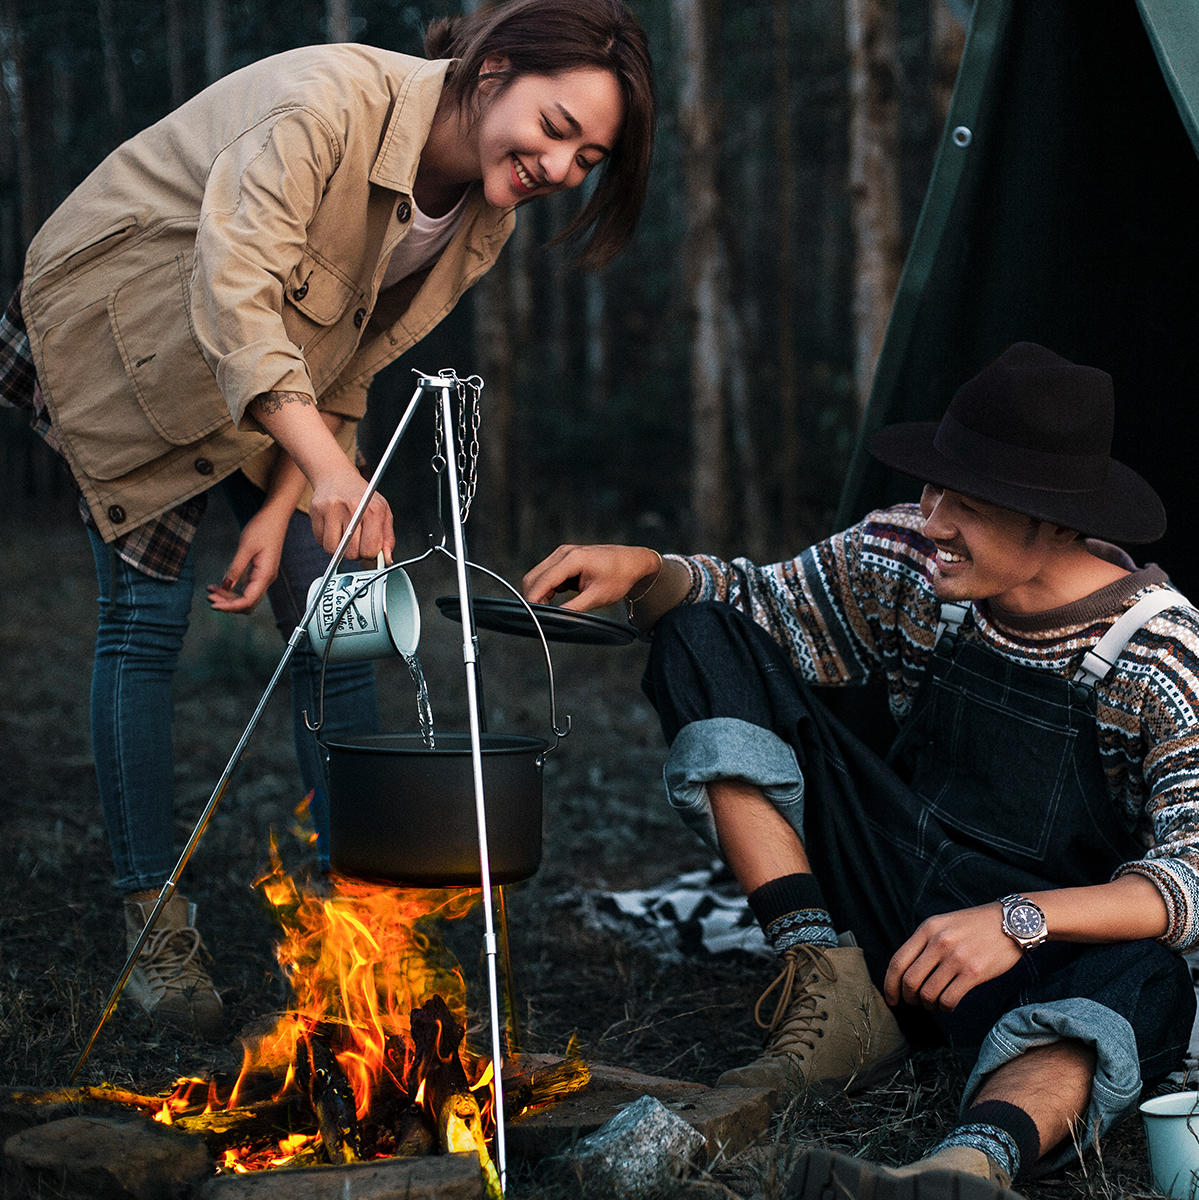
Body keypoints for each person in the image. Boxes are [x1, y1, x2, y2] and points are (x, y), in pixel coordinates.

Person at [0, 0, 655, 1038]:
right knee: (147, 620)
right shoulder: (322, 106)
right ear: (492, 73)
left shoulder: (484, 214)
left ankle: (361, 917)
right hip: (128, 335)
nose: (561, 165)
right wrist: (329, 474)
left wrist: (283, 502)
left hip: (266, 379)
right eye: (556, 124)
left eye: (589, 156)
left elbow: (346, 351)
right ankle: (151, 920)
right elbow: (235, 289)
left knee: (339, 621)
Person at [522, 342, 1199, 1199]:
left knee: (1151, 978)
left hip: (1028, 959)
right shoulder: (907, 559)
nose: (932, 521)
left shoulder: (1158, 650)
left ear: (1058, 520)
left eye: (971, 503)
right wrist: (650, 570)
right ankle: (826, 984)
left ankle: (962, 1167)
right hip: (886, 895)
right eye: (931, 487)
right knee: (701, 633)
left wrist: (1014, 920)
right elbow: (756, 601)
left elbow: (1192, 872)